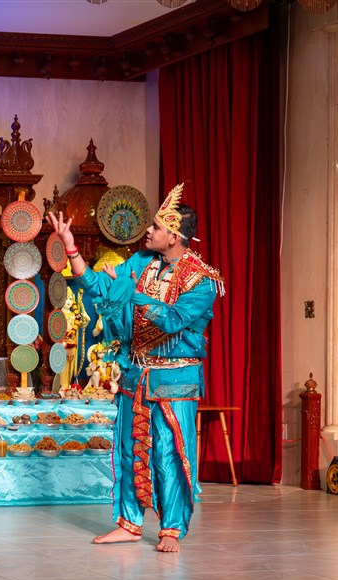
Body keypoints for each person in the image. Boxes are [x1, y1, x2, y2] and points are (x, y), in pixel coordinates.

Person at [46, 183, 223, 553]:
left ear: (174, 235)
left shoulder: (202, 280)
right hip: (136, 373)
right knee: (129, 449)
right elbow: (98, 285)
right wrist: (70, 246)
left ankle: (171, 529)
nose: (148, 230)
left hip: (175, 378)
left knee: (168, 453)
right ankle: (129, 523)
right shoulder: (142, 263)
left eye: (156, 227)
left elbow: (173, 320)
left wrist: (131, 293)